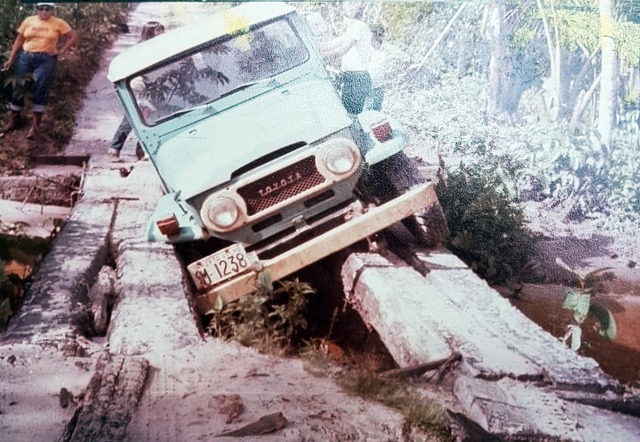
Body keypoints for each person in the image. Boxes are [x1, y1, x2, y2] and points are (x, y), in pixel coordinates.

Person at [1, 2, 77, 139]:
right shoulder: (28, 21)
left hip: (46, 59)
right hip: (26, 57)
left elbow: (73, 36)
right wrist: (11, 59)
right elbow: (19, 40)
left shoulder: (58, 23)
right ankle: (14, 120)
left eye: (47, 9)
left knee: (40, 88)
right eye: (41, 9)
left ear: (52, 10)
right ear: (36, 9)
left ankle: (35, 127)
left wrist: (61, 51)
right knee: (18, 86)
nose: (44, 11)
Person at [108, 21, 165, 162]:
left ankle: (139, 150)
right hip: (139, 85)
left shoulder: (154, 47)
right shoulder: (144, 49)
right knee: (135, 116)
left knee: (144, 116)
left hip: (147, 85)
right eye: (159, 31)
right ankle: (116, 148)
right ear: (150, 33)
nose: (162, 34)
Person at [318, 3, 372, 115]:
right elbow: (330, 44)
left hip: (358, 77)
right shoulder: (352, 29)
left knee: (352, 115)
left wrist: (321, 57)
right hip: (351, 77)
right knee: (347, 113)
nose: (342, 21)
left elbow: (342, 50)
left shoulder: (359, 26)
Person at [366, 25, 386, 111]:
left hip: (379, 86)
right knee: (366, 109)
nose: (377, 42)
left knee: (376, 111)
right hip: (367, 84)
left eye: (380, 41)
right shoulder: (367, 49)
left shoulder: (383, 52)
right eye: (375, 40)